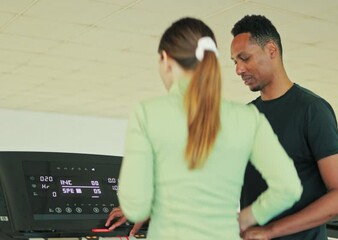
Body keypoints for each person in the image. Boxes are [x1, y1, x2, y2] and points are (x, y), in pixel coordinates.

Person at [106, 17, 303, 239]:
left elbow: (136, 208)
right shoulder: (248, 118)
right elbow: (289, 188)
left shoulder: (147, 113)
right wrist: (244, 219)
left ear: (165, 60)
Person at [230, 15, 338, 240]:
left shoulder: (312, 110)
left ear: (271, 50)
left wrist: (270, 231)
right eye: (235, 62)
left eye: (244, 58)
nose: (238, 69)